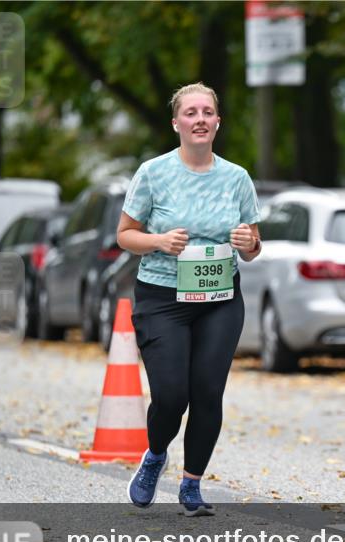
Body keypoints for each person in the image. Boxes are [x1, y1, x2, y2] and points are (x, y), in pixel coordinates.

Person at [118, 82, 261, 517]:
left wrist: (246, 242)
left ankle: (193, 485)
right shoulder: (153, 172)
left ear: (218, 121)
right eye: (191, 112)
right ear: (176, 122)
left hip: (219, 299)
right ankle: (156, 454)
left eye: (207, 112)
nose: (200, 119)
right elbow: (125, 236)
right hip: (163, 298)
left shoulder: (237, 178)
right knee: (172, 393)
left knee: (206, 392)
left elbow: (254, 245)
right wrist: (159, 240)